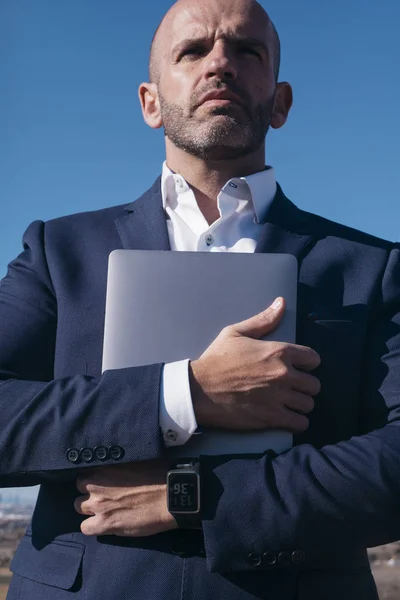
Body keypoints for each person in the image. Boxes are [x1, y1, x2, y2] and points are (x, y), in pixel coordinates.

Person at [2, 0, 400, 598]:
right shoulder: (59, 251)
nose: (220, 64)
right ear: (150, 102)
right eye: (192, 51)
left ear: (282, 101)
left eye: (247, 50)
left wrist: (188, 498)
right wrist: (185, 393)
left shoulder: (376, 267)